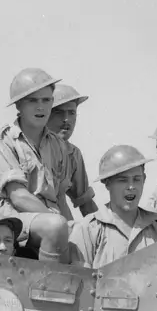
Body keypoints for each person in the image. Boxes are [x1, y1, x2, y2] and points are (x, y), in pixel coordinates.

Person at [0, 68, 73, 263]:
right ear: (19, 105)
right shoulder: (2, 143)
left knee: (85, 235)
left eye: (46, 100)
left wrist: (73, 229)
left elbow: (60, 198)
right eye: (33, 101)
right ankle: (51, 280)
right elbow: (19, 197)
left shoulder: (58, 146)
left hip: (50, 221)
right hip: (14, 221)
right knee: (56, 226)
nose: (41, 107)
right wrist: (61, 224)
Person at [70, 144, 157, 269]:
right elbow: (80, 277)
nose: (131, 186)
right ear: (107, 183)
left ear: (144, 179)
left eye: (136, 179)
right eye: (123, 180)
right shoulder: (89, 229)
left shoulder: (156, 229)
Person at [47, 83, 98, 218]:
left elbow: (85, 202)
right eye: (58, 112)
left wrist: (104, 227)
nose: (66, 120)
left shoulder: (73, 154)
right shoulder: (27, 147)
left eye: (72, 113)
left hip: (64, 223)